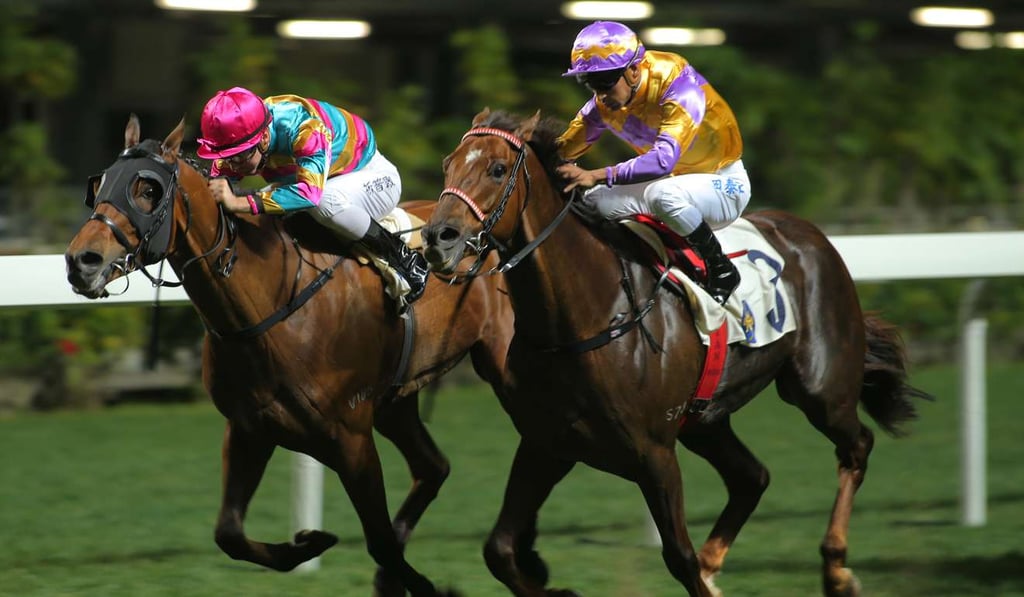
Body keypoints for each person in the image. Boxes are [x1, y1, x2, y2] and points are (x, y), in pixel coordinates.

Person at [555, 21, 750, 305]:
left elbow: (662, 162)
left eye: (604, 83)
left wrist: (597, 174)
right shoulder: (606, 101)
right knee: (591, 204)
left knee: (662, 195)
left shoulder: (680, 85)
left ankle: (722, 270)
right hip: (674, 182)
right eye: (589, 84)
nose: (599, 95)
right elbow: (561, 152)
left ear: (634, 70)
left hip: (723, 183)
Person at [196, 86, 429, 309]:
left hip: (373, 178)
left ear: (264, 138)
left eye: (239, 157)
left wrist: (240, 202)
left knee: (324, 201)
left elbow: (310, 194)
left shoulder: (304, 128)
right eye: (227, 157)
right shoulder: (243, 138)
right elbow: (216, 185)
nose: (232, 165)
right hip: (325, 179)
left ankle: (404, 258)